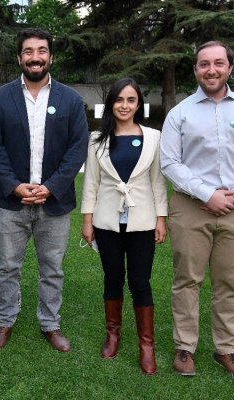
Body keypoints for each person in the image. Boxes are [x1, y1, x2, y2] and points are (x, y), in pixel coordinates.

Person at [160, 41, 234, 381]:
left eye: (218, 63)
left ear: (229, 68)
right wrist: (207, 194)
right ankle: (185, 348)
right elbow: (170, 162)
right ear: (195, 69)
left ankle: (225, 349)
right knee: (187, 281)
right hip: (190, 208)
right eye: (204, 64)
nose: (211, 69)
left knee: (229, 283)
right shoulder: (179, 113)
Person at [0, 28, 88, 352]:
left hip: (54, 204)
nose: (35, 57)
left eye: (41, 50)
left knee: (52, 269)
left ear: (50, 57)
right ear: (19, 58)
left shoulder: (70, 99)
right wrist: (15, 187)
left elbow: (77, 148)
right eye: (28, 51)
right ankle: (5, 321)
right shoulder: (1, 97)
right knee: (7, 267)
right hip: (10, 203)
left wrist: (52, 187)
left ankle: (50, 323)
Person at [81, 78, 167, 375]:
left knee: (140, 282)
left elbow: (158, 180)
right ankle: (113, 334)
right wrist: (87, 219)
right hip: (107, 221)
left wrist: (161, 218)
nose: (124, 105)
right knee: (113, 278)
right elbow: (91, 182)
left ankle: (146, 344)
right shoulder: (97, 139)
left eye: (131, 100)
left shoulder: (153, 137)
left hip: (142, 220)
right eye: (119, 100)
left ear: (138, 104)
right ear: (110, 104)